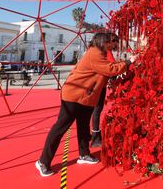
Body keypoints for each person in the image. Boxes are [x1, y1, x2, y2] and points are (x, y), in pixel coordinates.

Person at [35, 33, 137, 177]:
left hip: (86, 98)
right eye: (114, 42)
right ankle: (43, 162)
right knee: (60, 127)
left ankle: (84, 155)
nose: (115, 45)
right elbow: (110, 69)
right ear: (104, 41)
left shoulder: (100, 54)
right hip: (74, 95)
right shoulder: (94, 53)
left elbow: (109, 68)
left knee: (83, 127)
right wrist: (128, 62)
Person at [91, 33, 119, 147]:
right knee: (97, 110)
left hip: (95, 85)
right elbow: (113, 68)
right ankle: (95, 137)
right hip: (97, 86)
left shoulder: (98, 51)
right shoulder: (106, 52)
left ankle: (93, 135)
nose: (116, 45)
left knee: (93, 110)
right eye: (116, 42)